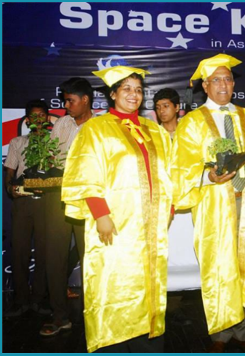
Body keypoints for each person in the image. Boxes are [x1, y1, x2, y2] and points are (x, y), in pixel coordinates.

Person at [60, 66, 173, 352]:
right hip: (115, 224)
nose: (134, 95)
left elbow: (169, 172)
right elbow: (85, 173)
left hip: (149, 227)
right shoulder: (96, 129)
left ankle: (147, 342)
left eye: (138, 90)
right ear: (112, 94)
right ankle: (113, 342)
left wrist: (169, 207)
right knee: (114, 283)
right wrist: (101, 214)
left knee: (148, 285)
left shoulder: (153, 130)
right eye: (126, 89)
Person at [171, 54, 245, 353]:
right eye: (216, 79)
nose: (224, 85)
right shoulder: (192, 123)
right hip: (215, 205)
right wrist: (208, 176)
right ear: (205, 85)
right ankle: (220, 332)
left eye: (228, 79)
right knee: (219, 267)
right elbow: (181, 168)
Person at [40, 77, 93, 336]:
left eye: (71, 100)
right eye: (64, 100)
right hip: (58, 196)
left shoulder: (100, 126)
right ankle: (60, 316)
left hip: (89, 198)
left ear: (85, 100)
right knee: (55, 257)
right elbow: (51, 156)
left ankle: (93, 315)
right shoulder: (61, 123)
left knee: (91, 258)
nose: (66, 105)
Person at [4, 100, 52, 317]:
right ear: (27, 120)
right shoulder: (17, 142)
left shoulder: (54, 142)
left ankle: (39, 299)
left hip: (45, 203)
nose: (38, 120)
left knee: (44, 252)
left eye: (42, 116)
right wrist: (9, 188)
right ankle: (20, 299)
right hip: (22, 202)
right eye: (33, 117)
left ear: (48, 118)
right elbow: (10, 172)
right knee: (20, 252)